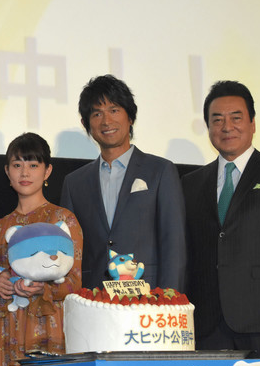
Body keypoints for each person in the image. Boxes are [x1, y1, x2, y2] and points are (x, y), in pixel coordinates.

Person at [0, 132, 82, 366]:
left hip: (49, 329)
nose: (24, 172)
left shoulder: (62, 220)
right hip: (5, 332)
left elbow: (74, 282)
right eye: (17, 165)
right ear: (7, 172)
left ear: (47, 171)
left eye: (33, 165)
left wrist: (44, 288)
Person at [60, 74, 186, 290]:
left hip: (148, 296)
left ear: (130, 116)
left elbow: (174, 243)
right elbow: (68, 250)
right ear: (85, 123)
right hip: (93, 297)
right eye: (97, 113)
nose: (106, 121)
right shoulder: (74, 183)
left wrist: (168, 298)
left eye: (114, 110)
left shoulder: (160, 171)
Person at [183, 80, 260, 358]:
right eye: (217, 120)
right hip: (207, 322)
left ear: (253, 123)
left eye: (236, 118)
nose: (226, 127)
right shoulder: (190, 183)